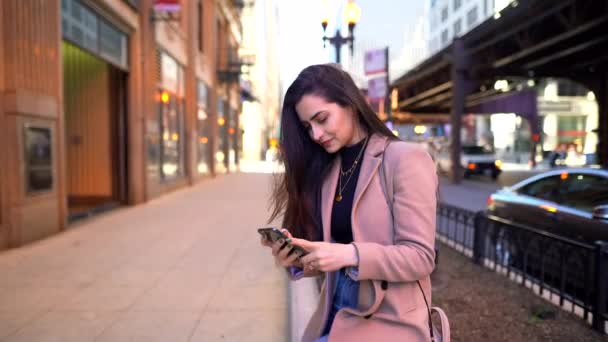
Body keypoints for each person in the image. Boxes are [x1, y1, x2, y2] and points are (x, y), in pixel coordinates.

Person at [261, 64, 438, 341]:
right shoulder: (330, 168)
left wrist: (349, 254)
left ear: (351, 105)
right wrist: (298, 259)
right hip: (335, 315)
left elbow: (421, 257)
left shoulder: (405, 159)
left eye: (322, 119)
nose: (315, 135)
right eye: (308, 126)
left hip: (389, 322)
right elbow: (334, 258)